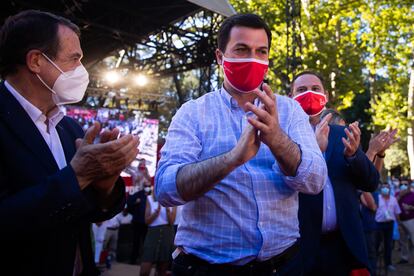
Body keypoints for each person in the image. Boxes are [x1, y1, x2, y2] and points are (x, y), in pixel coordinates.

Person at [156, 13, 327, 276]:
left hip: (283, 265)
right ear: (219, 57)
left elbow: (315, 181)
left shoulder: (290, 111)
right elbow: (166, 188)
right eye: (242, 50)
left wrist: (278, 140)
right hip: (206, 269)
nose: (253, 59)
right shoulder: (193, 113)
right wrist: (232, 159)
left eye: (262, 52)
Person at [0, 10, 139, 276]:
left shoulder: (70, 128)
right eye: (74, 59)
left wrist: (104, 185)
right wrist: (78, 175)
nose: (81, 71)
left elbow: (85, 214)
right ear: (36, 61)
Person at [290, 71, 380, 275]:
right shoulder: (284, 137)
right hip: (301, 248)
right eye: (301, 90)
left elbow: (371, 183)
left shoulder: (343, 134)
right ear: (290, 98)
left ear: (326, 95)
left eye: (315, 89)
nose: (309, 94)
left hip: (344, 247)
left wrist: (354, 155)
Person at [140, 186, 176, 276]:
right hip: (153, 233)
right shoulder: (150, 198)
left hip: (167, 234)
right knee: (145, 270)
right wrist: (156, 212)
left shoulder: (173, 201)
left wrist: (167, 210)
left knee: (162, 270)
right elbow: (147, 221)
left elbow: (171, 222)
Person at [375, 183, 401, 271]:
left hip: (389, 224)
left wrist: (399, 224)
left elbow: (397, 212)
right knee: (376, 244)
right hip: (378, 224)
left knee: (388, 244)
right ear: (380, 189)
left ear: (390, 189)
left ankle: (388, 263)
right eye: (383, 187)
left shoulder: (393, 199)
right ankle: (374, 263)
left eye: (387, 187)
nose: (385, 189)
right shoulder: (377, 198)